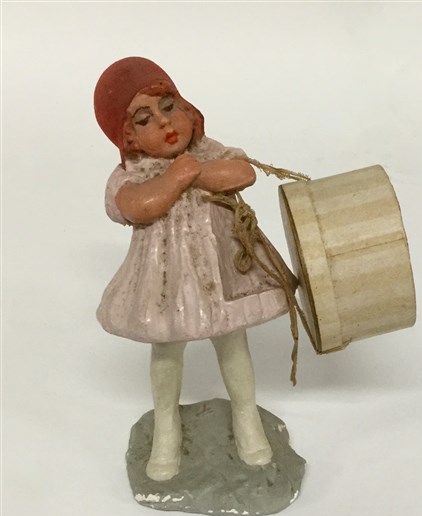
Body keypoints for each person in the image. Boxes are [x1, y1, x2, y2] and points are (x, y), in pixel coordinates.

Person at [94, 57, 293, 481]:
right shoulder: (132, 173)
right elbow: (136, 206)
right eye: (144, 119)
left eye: (168, 106)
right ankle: (166, 425)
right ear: (127, 136)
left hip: (223, 269)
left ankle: (246, 416)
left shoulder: (205, 153)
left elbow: (242, 173)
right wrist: (173, 180)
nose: (164, 122)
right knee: (167, 349)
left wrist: (196, 171)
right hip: (167, 281)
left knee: (232, 341)